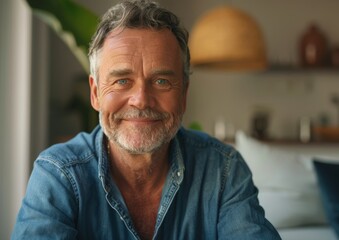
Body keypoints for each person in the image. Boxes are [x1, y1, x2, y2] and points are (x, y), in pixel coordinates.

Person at [12, 0, 281, 239]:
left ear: (183, 94)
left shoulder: (223, 171)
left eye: (162, 81)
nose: (141, 99)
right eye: (122, 81)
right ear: (95, 93)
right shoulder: (58, 175)